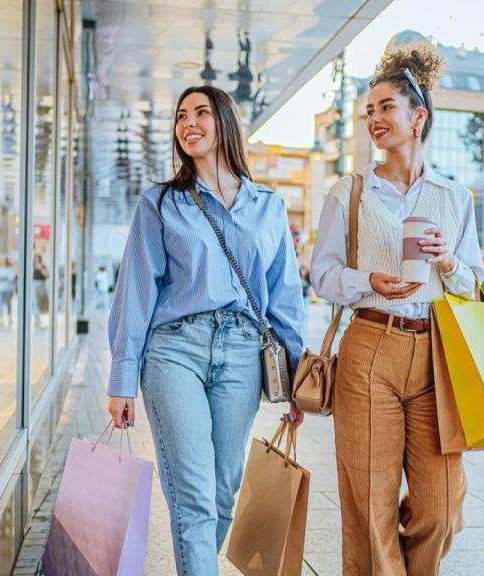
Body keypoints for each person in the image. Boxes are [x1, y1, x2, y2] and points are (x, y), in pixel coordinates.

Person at [106, 85, 306, 576]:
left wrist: (298, 378)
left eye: (200, 113)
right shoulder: (161, 203)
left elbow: (285, 298)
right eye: (180, 116)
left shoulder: (268, 207)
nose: (188, 123)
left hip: (242, 354)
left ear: (225, 124)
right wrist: (121, 378)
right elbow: (135, 290)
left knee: (222, 491)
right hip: (175, 351)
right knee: (194, 493)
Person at [311, 41, 483, 575]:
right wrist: (369, 280)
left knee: (443, 505)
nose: (375, 120)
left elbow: (475, 286)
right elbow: (321, 276)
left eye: (387, 108)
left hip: (436, 353)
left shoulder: (456, 198)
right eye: (370, 111)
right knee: (369, 500)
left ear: (418, 117)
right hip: (369, 347)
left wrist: (449, 263)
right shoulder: (351, 191)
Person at [0, 255, 17, 327]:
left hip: (8, 289)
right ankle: (0, 318)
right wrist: (5, 278)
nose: (3, 262)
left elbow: (11, 278)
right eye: (2, 260)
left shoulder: (10, 269)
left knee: (8, 304)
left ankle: (9, 316)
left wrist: (3, 278)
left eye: (4, 260)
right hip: (0, 289)